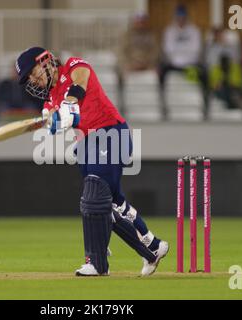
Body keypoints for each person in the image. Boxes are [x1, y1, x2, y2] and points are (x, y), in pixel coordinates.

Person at [15, 47, 168, 276]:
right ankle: (152, 247)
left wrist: (69, 103)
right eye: (28, 79)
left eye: (32, 71)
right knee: (112, 204)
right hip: (88, 144)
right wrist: (52, 122)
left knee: (94, 197)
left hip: (111, 133)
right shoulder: (50, 98)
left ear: (45, 60)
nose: (33, 80)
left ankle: (96, 263)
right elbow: (54, 122)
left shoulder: (74, 66)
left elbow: (80, 82)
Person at [159, 4, 208, 118]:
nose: (181, 20)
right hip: (174, 63)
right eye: (179, 17)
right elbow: (168, 50)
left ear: (186, 18)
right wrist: (180, 57)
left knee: (204, 74)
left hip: (190, 63)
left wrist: (184, 57)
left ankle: (205, 104)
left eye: (183, 17)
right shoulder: (169, 31)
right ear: (175, 18)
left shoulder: (194, 31)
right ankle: (163, 104)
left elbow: (196, 49)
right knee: (161, 73)